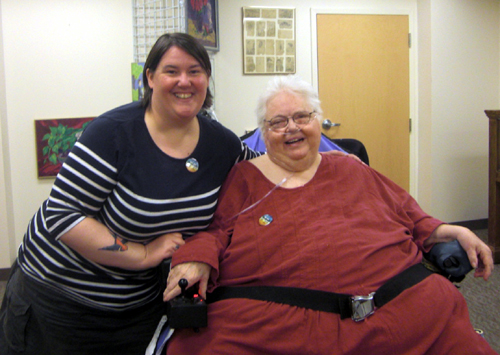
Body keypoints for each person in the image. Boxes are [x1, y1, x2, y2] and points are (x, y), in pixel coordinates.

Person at [164, 75, 497, 355]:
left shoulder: (351, 166)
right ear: (264, 133)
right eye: (278, 122)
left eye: (301, 117)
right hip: (284, 324)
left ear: (318, 122)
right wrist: (196, 258)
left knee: (447, 316)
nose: (291, 128)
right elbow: (215, 231)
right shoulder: (245, 177)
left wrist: (448, 231)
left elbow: (408, 212)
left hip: (397, 307)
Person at [0, 32, 266, 355]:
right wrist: (142, 254)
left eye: (195, 71)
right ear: (150, 77)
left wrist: (328, 160)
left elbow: (265, 176)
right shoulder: (113, 133)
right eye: (172, 71)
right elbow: (61, 217)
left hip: (138, 309)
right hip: (59, 301)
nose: (185, 81)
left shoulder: (220, 144)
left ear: (207, 79)